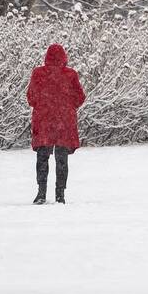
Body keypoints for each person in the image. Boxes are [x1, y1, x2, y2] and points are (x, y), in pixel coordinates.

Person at [26, 43, 85, 204]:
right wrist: (67, 106)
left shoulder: (38, 73)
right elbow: (80, 97)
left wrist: (44, 105)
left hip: (44, 120)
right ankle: (60, 194)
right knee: (62, 159)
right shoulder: (70, 75)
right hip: (64, 121)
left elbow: (31, 97)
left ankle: (41, 192)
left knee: (42, 157)